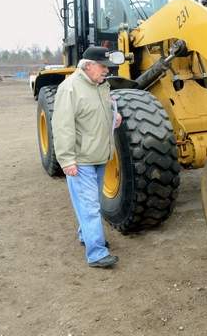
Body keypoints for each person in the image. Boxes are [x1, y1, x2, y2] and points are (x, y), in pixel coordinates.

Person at [52, 47, 122, 268]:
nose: (106, 71)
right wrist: (67, 160)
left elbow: (97, 112)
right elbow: (62, 127)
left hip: (100, 156)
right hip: (81, 160)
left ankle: (87, 235)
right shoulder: (70, 88)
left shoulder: (100, 86)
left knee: (90, 203)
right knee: (90, 205)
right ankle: (97, 253)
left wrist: (114, 116)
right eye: (103, 67)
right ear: (89, 65)